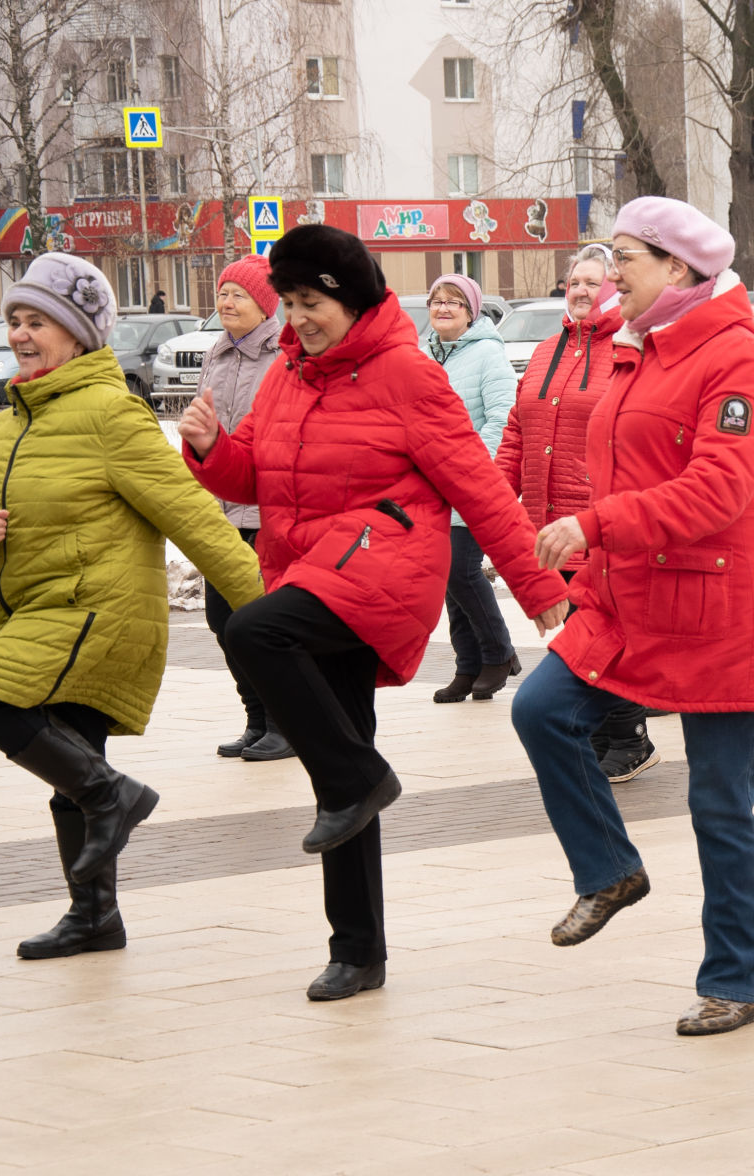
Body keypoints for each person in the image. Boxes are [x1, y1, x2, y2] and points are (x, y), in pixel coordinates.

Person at [179, 226, 570, 1001]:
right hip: (312, 567)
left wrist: (542, 590)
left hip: (378, 567)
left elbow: (480, 488)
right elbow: (255, 473)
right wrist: (211, 448)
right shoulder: (289, 375)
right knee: (341, 773)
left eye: (313, 302)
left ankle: (360, 778)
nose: (300, 318)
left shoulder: (407, 375)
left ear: (352, 300)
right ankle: (357, 951)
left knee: (253, 629)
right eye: (288, 304)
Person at [512, 196, 754, 1037]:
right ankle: (609, 870)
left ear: (677, 268)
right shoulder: (632, 351)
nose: (608, 271)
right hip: (630, 597)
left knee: (719, 809)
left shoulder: (734, 359)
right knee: (539, 710)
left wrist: (594, 527)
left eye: (625, 256)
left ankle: (731, 980)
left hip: (716, 609)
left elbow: (717, 490)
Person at [0, 252, 264, 960]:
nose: (22, 335)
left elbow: (196, 519)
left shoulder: (111, 414)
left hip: (95, 614)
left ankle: (115, 797)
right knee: (74, 771)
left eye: (39, 322)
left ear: (79, 333)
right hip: (33, 609)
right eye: (15, 322)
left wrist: (271, 615)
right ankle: (94, 916)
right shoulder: (11, 422)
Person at [497, 243, 659, 779]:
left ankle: (628, 733)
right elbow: (518, 431)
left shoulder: (629, 347)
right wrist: (497, 494)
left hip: (597, 519)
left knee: (601, 626)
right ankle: (602, 729)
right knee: (571, 628)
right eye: (574, 282)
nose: (582, 291)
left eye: (594, 282)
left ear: (614, 289)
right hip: (546, 520)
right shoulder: (546, 352)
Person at [197, 255, 292, 762]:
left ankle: (285, 721)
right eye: (224, 292)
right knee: (221, 619)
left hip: (266, 511)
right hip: (220, 508)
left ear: (265, 304)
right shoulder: (217, 353)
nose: (227, 302)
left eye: (240, 294)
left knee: (260, 622)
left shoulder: (284, 354)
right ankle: (256, 717)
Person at [426, 272, 524, 703]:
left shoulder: (488, 355)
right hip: (429, 486)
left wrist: (464, 469)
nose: (443, 308)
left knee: (462, 571)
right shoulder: (423, 355)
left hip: (471, 483)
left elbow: (503, 419)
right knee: (447, 578)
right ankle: (468, 665)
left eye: (453, 302)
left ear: (471, 313)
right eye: (436, 301)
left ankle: (499, 654)